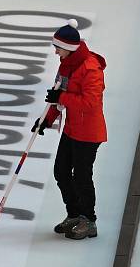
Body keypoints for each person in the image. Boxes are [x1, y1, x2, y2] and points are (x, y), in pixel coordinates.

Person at [32, 19, 107, 240]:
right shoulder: (66, 64)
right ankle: (74, 214)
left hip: (89, 132)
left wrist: (61, 97)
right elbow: (59, 96)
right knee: (61, 172)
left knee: (82, 176)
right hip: (72, 129)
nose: (55, 52)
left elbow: (90, 102)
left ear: (69, 48)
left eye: (58, 48)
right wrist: (47, 119)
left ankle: (89, 220)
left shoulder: (91, 69)